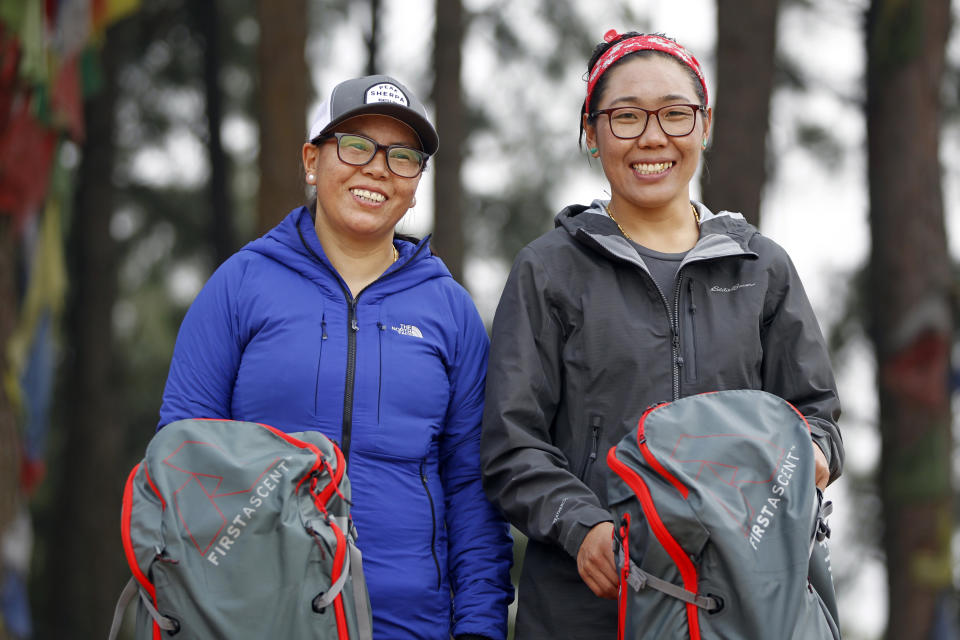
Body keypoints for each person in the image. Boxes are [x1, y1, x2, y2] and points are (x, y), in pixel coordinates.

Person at [480, 30, 844, 638]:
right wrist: (582, 525)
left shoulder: (761, 267)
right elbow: (511, 443)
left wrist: (802, 463)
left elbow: (820, 422)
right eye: (625, 117)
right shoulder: (548, 270)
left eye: (675, 114)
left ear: (705, 125)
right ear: (591, 134)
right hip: (590, 606)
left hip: (746, 605)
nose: (653, 137)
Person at [158, 74, 513, 640]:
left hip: (409, 624)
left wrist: (478, 629)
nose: (377, 168)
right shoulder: (241, 284)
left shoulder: (451, 311)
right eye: (355, 146)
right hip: (251, 619)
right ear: (311, 160)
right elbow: (180, 461)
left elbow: (473, 489)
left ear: (417, 184)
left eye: (402, 157)